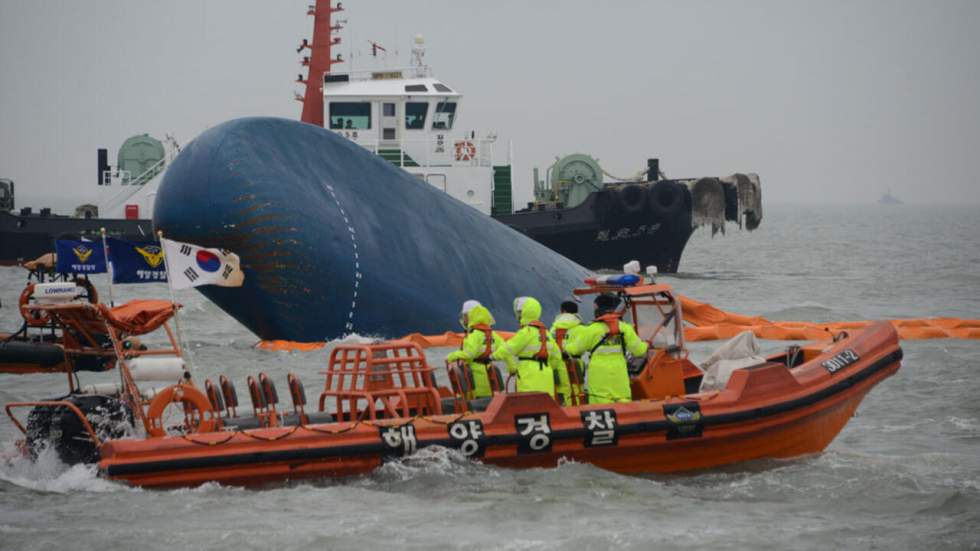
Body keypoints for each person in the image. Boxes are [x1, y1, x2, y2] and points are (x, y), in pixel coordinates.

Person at [565, 293, 648, 404]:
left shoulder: (591, 329)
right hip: (619, 372)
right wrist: (646, 344)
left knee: (600, 403)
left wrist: (564, 344)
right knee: (623, 401)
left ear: (599, 309)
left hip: (599, 374)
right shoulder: (625, 328)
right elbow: (639, 350)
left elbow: (575, 349)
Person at [492, 297, 570, 403]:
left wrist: (493, 356)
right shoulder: (546, 334)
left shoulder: (526, 332)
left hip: (528, 374)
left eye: (520, 313)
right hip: (547, 375)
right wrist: (548, 367)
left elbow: (508, 348)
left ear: (524, 313)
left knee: (528, 405)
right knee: (546, 405)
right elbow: (556, 357)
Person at [446, 301, 504, 399]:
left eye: (465, 316)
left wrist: (452, 356)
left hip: (476, 383)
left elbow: (470, 354)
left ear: (470, 316)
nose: (463, 319)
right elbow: (506, 351)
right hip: (491, 381)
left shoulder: (473, 335)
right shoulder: (493, 334)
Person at [551, 300, 585, 404]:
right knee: (578, 387)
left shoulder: (554, 328)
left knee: (562, 389)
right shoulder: (581, 327)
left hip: (558, 363)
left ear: (563, 311)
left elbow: (550, 346)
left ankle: (565, 410)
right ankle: (578, 411)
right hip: (576, 362)